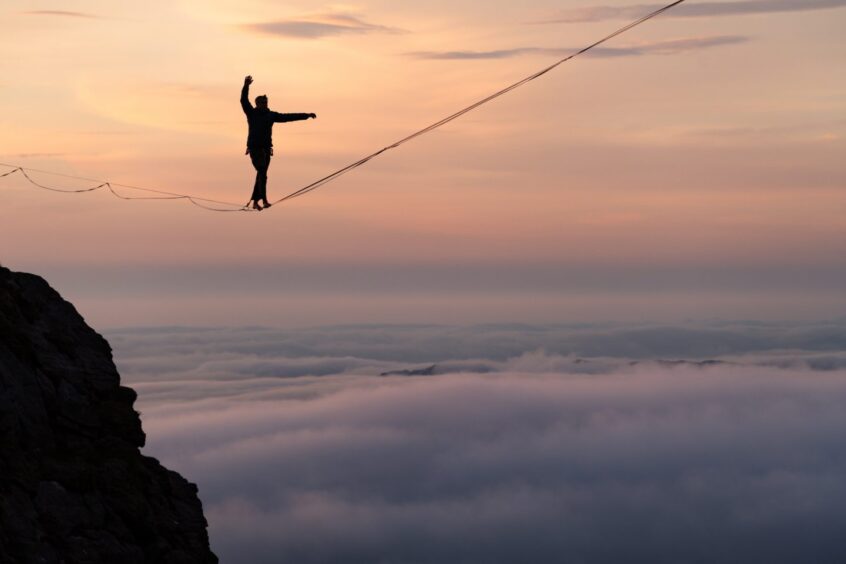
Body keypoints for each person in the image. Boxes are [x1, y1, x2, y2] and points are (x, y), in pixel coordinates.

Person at [240, 75, 316, 210]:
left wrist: (306, 115)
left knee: (261, 174)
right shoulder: (251, 113)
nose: (264, 105)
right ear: (257, 104)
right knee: (262, 172)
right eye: (262, 103)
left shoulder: (271, 115)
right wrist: (246, 86)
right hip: (255, 149)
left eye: (265, 103)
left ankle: (255, 202)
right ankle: (263, 200)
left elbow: (288, 117)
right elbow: (243, 100)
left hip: (266, 150)